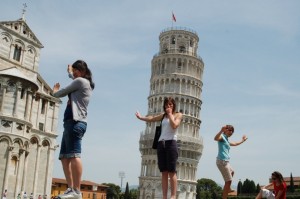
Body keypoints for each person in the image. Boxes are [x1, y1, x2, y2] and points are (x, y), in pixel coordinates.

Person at [53, 60, 95, 199]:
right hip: (70, 123)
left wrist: (55, 92)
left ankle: (76, 190)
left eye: (76, 70)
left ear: (82, 72)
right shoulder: (81, 81)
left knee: (74, 155)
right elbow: (73, 78)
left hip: (76, 123)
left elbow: (62, 92)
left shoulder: (81, 82)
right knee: (64, 157)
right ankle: (71, 188)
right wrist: (70, 72)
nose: (74, 73)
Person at [135, 97, 182, 199]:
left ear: (173, 105)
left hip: (171, 143)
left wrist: (170, 114)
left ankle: (173, 196)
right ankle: (164, 196)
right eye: (166, 105)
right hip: (161, 144)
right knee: (164, 172)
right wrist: (141, 117)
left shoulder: (178, 115)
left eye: (170, 104)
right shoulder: (163, 116)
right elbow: (152, 118)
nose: (168, 106)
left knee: (172, 171)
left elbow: (174, 126)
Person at [214, 125, 248, 199]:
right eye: (229, 130)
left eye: (232, 131)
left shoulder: (226, 139)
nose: (231, 132)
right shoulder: (222, 137)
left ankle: (227, 188)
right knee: (228, 181)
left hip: (226, 162)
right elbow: (216, 138)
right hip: (222, 161)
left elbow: (235, 144)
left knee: (232, 172)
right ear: (225, 130)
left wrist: (243, 140)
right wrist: (221, 131)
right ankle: (224, 196)